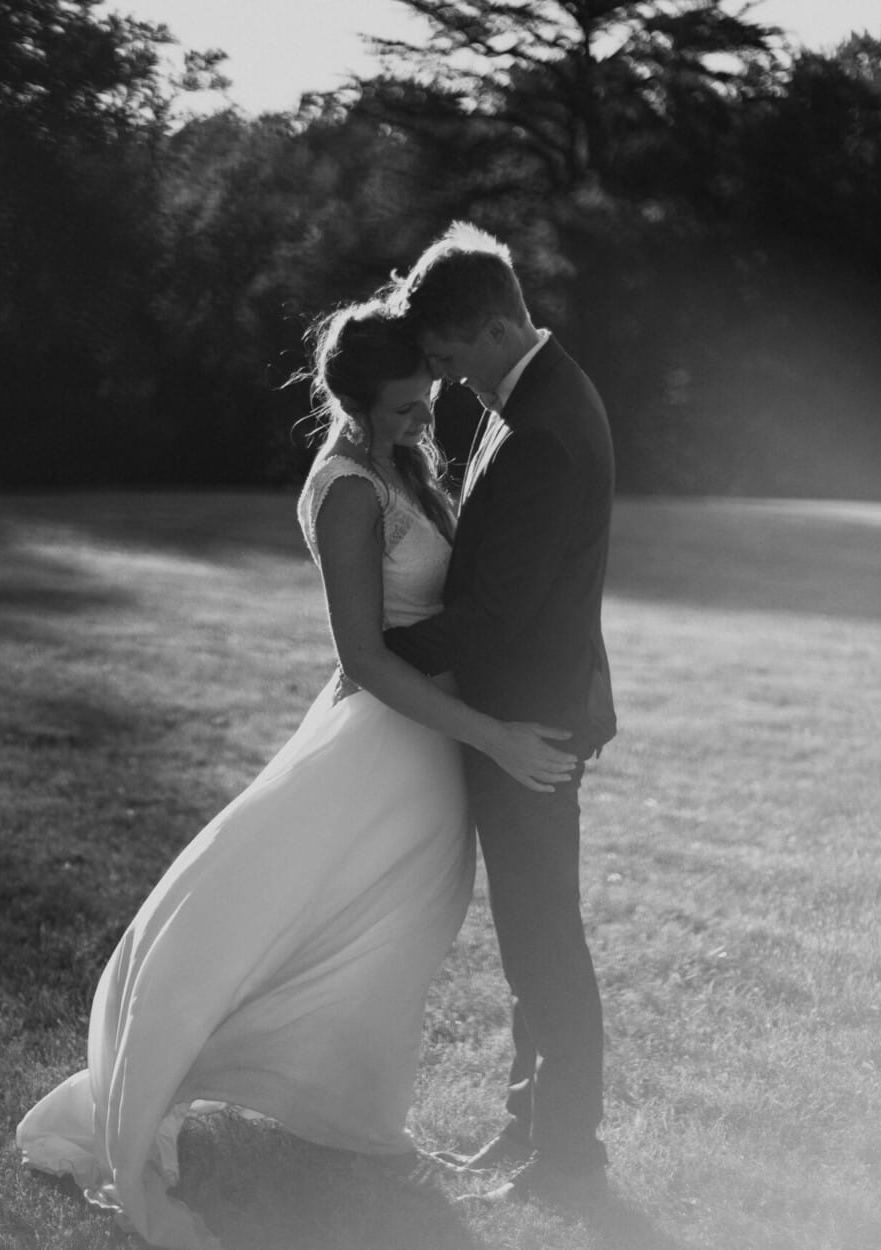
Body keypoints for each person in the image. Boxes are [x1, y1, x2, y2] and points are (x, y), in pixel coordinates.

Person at [15, 300, 577, 1250]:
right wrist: (492, 736)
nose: (424, 418)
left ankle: (345, 1108)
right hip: (387, 746)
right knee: (269, 915)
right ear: (354, 405)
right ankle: (155, 1075)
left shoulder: (401, 461)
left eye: (427, 398)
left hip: (429, 754)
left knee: (392, 937)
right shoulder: (349, 487)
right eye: (404, 406)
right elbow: (364, 658)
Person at [383, 222, 618, 1205]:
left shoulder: (543, 428)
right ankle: (527, 1129)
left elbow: (495, 613)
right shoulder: (523, 394)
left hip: (530, 723)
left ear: (490, 329)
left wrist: (378, 656)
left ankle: (568, 1155)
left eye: (447, 358)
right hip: (521, 707)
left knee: (544, 936)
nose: (442, 380)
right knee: (531, 933)